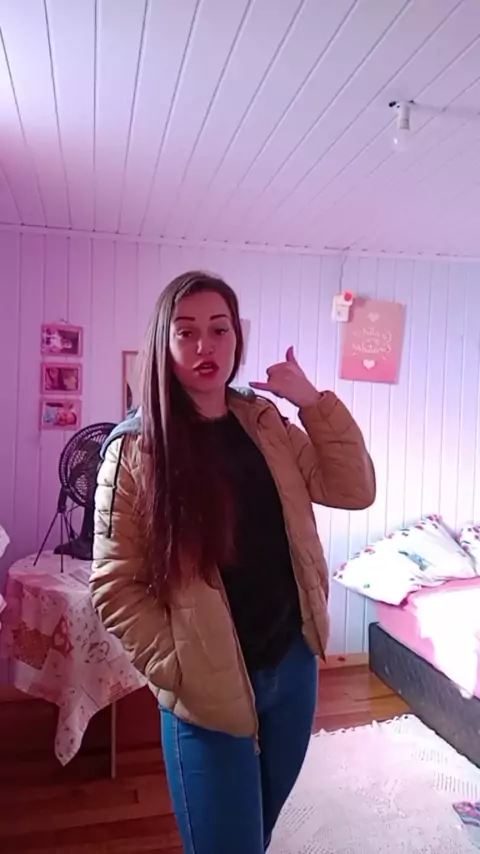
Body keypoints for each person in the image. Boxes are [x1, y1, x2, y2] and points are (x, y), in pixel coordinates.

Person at [90, 271, 376, 854]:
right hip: (205, 688)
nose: (206, 346)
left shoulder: (266, 424)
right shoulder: (136, 450)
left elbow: (353, 489)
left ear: (236, 340)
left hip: (292, 668)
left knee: (258, 832)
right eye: (187, 332)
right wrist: (179, 667)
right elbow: (115, 587)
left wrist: (312, 402)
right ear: (164, 345)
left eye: (219, 330)